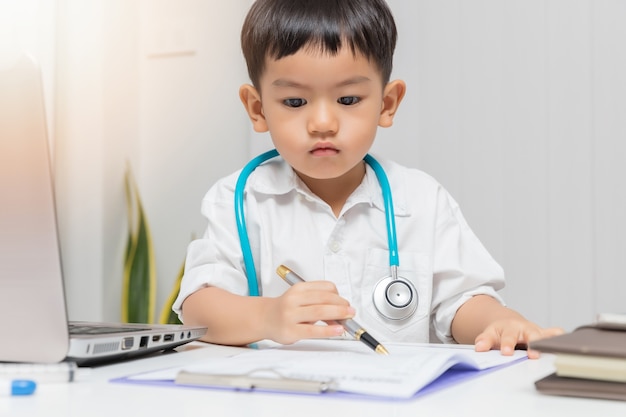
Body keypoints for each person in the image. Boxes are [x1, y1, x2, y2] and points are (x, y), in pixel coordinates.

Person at [173, 0, 562, 357]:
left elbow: (462, 301)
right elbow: (199, 307)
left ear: (387, 103)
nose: (322, 123)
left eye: (347, 100)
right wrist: (268, 317)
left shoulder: (422, 200)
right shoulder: (238, 201)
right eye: (294, 102)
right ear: (257, 109)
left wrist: (497, 322)